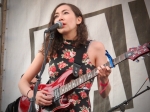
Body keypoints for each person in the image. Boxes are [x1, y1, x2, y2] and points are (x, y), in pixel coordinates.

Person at [18, 3, 111, 112]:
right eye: (56, 16)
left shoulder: (96, 47)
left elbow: (104, 94)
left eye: (65, 13)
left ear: (79, 20)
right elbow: (23, 82)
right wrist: (33, 96)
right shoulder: (49, 47)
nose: (60, 17)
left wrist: (104, 79)